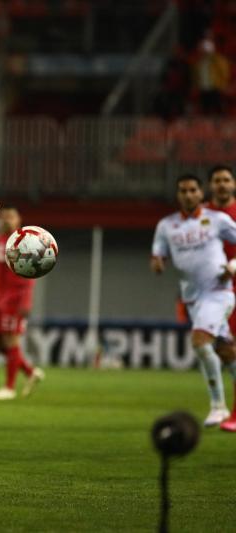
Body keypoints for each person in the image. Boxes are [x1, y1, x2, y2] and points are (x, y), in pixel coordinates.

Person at [151, 174, 236, 428]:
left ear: (201, 193)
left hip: (219, 292)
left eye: (192, 190)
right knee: (226, 351)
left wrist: (232, 265)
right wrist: (157, 263)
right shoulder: (166, 226)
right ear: (178, 195)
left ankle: (218, 407)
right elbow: (158, 257)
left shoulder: (218, 220)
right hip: (192, 299)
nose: (188, 195)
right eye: (183, 191)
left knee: (199, 342)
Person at [0, 206, 44, 401]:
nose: (7, 220)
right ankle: (29, 371)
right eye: (4, 216)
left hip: (16, 296)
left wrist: (26, 300)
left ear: (19, 219)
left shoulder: (25, 242)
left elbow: (31, 272)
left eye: (11, 216)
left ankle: (9, 388)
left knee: (11, 340)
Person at [204, 165, 236, 432]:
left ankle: (230, 412)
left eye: (226, 180)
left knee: (228, 350)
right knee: (219, 349)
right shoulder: (203, 214)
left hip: (232, 290)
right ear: (211, 185)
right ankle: (221, 407)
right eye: (217, 181)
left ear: (233, 184)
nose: (222, 185)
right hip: (209, 292)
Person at [193, 37, 230, 115]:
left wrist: (223, 84)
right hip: (204, 86)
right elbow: (196, 75)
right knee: (205, 106)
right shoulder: (200, 62)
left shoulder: (217, 60)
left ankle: (219, 121)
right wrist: (196, 84)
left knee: (217, 105)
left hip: (215, 86)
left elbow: (223, 72)